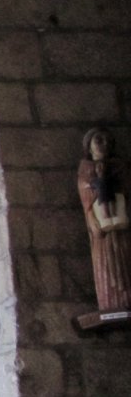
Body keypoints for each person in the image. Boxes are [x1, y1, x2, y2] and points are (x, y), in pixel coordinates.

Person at [78, 127, 131, 311]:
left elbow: (125, 191)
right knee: (106, 266)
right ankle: (110, 304)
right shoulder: (85, 171)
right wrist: (91, 219)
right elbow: (87, 201)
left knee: (124, 264)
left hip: (122, 227)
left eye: (108, 141)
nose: (105, 144)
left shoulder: (121, 168)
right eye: (99, 140)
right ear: (89, 146)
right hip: (101, 230)